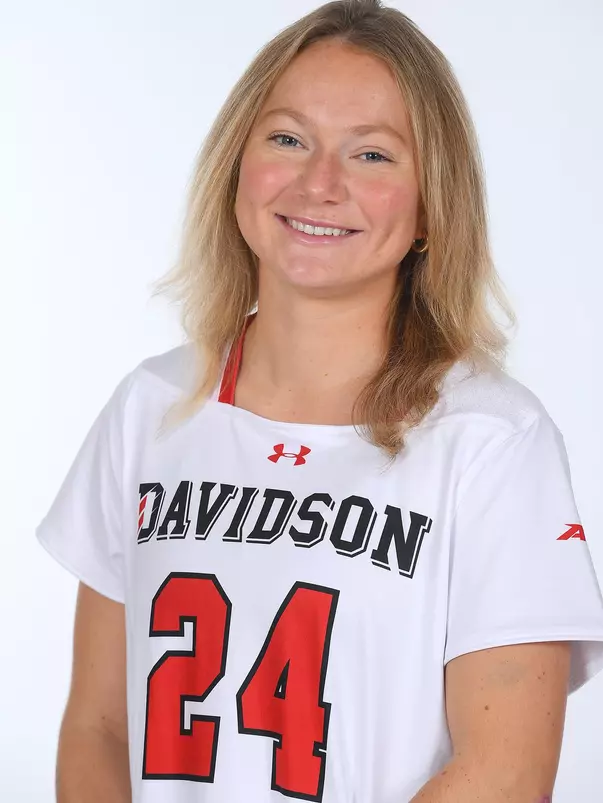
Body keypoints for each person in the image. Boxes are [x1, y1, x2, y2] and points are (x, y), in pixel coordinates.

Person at [36, 1, 603, 801]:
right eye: (287, 139)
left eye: (371, 154)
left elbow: (502, 773)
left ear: (430, 206)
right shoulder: (151, 408)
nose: (319, 184)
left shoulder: (492, 440)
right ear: (236, 164)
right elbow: (101, 727)